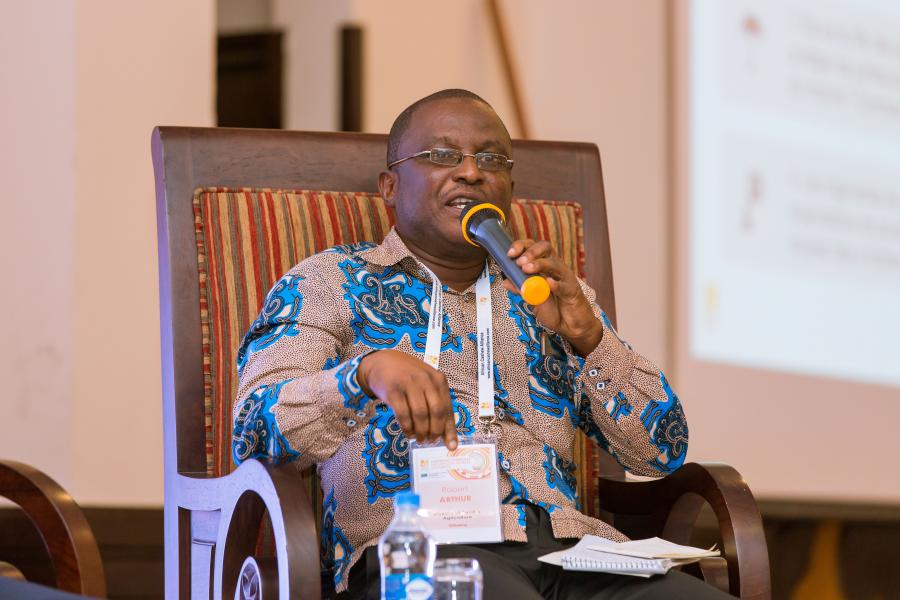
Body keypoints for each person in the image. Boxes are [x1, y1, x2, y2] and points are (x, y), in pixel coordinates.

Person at [232, 89, 725, 599]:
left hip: (574, 553)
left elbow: (660, 452)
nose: (470, 172)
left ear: (509, 189)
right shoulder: (330, 281)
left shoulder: (545, 294)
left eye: (490, 160)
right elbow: (251, 433)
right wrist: (363, 374)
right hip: (421, 553)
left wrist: (590, 339)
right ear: (390, 187)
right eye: (443, 155)